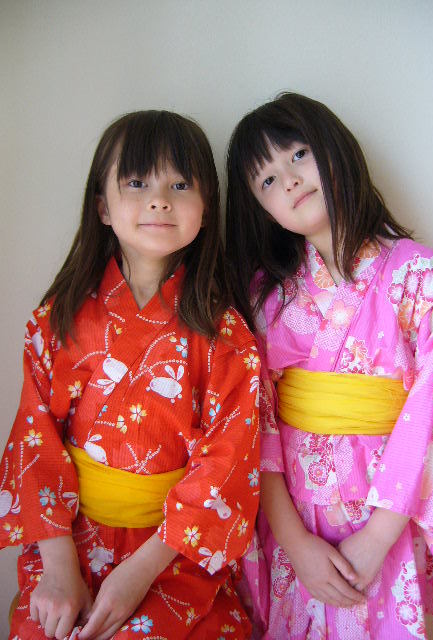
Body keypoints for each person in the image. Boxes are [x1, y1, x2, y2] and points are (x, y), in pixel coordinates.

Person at [225, 92, 433, 639]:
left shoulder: (422, 277)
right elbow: (254, 424)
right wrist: (295, 543)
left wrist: (377, 538)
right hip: (297, 523)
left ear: (334, 147)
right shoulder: (264, 298)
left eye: (298, 154)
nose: (289, 180)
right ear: (260, 208)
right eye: (266, 179)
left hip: (388, 521)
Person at [0, 110, 260, 640]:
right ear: (102, 206)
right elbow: (34, 440)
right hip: (68, 547)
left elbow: (227, 464)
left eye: (180, 185)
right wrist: (60, 570)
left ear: (206, 207)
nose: (159, 200)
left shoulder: (226, 335)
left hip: (174, 556)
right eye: (137, 182)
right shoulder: (57, 320)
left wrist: (138, 575)